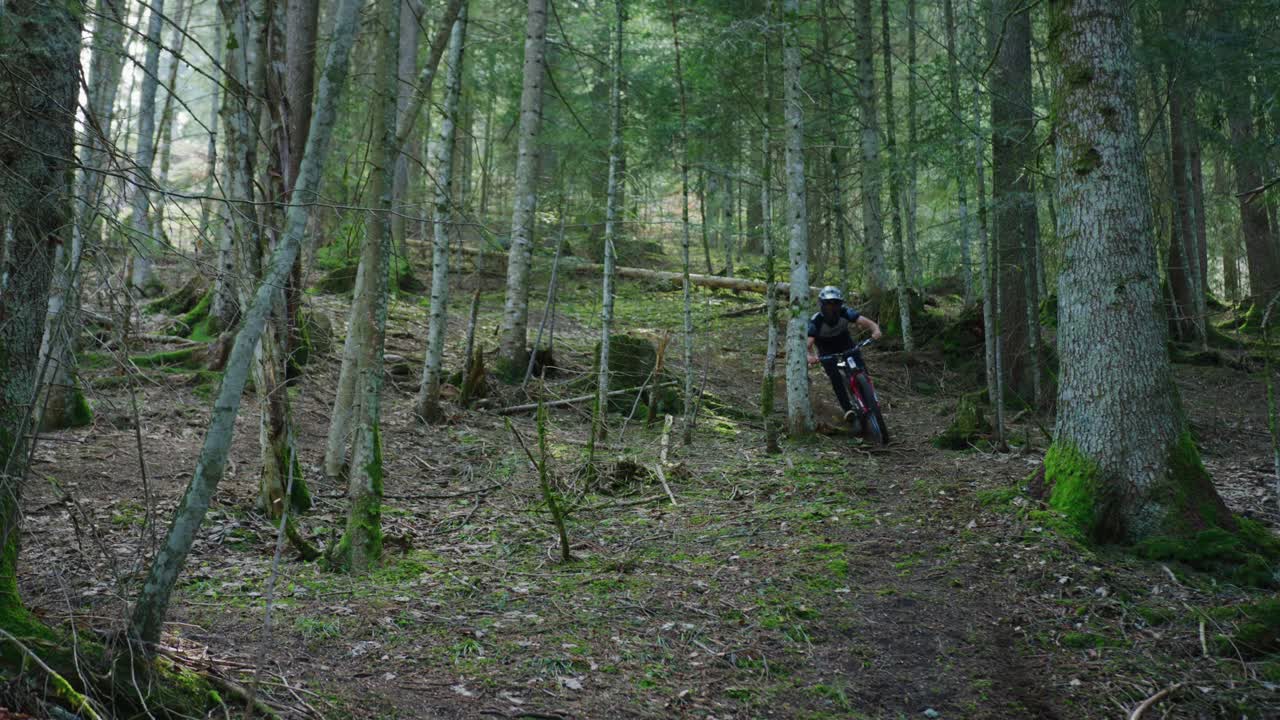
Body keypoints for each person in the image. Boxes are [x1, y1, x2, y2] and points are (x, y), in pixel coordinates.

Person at [806, 286, 882, 423]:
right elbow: (808, 343)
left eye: (835, 303)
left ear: (840, 304)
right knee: (835, 377)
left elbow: (868, 323)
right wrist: (810, 356)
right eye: (828, 304)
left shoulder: (846, 312)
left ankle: (870, 395)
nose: (832, 307)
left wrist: (875, 330)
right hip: (825, 349)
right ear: (822, 305)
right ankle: (848, 409)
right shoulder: (816, 320)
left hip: (845, 343)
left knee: (860, 367)